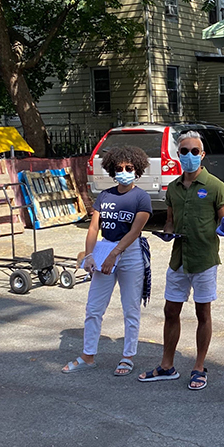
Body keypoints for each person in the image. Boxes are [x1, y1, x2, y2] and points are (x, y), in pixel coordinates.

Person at [138, 131, 224, 390]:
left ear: (202, 155)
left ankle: (199, 366)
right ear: (177, 155)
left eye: (194, 151)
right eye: (184, 151)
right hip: (178, 259)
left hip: (204, 259)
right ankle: (167, 365)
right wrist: (166, 233)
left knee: (203, 313)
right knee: (171, 311)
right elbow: (169, 221)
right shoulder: (173, 189)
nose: (189, 155)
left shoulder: (215, 186)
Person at [62, 145, 153, 376]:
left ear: (137, 169)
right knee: (94, 307)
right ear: (112, 170)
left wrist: (115, 254)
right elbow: (93, 228)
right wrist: (90, 255)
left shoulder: (141, 197)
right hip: (104, 251)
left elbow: (135, 231)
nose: (124, 171)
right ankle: (88, 355)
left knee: (130, 308)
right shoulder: (105, 196)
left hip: (130, 253)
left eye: (129, 168)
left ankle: (127, 356)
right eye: (119, 168)